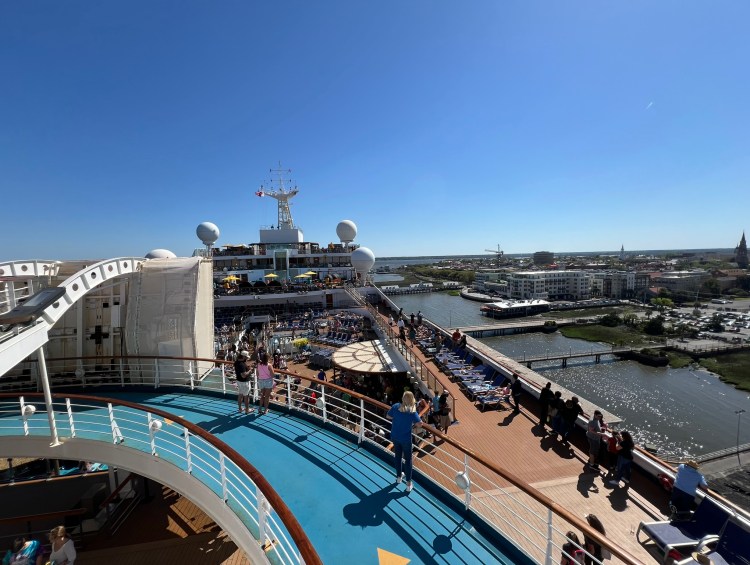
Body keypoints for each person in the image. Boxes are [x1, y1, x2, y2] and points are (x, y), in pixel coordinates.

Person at [386, 391, 422, 493]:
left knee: (398, 456)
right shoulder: (412, 411)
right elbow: (419, 424)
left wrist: (397, 418)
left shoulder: (396, 406)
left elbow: (388, 416)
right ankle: (408, 484)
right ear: (412, 400)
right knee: (408, 460)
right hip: (406, 439)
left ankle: (398, 477)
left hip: (395, 437)